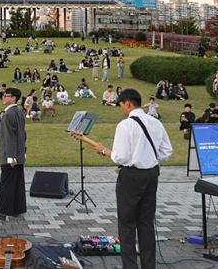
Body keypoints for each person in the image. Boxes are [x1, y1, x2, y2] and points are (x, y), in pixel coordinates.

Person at [72, 88, 172, 269]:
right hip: (151, 174)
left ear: (128, 103)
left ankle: (130, 266)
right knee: (146, 223)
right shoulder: (155, 122)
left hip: (132, 176)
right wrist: (146, 156)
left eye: (121, 105)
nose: (121, 109)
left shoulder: (125, 125)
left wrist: (104, 150)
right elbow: (166, 151)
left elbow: (121, 157)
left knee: (127, 224)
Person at [0, 87, 26, 221]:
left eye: (5, 95)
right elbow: (23, 134)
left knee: (7, 183)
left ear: (13, 98)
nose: (3, 97)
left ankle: (2, 211)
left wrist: (11, 156)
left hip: (10, 156)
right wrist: (22, 152)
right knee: (17, 183)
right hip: (19, 154)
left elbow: (10, 137)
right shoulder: (19, 112)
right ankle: (17, 209)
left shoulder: (9, 114)